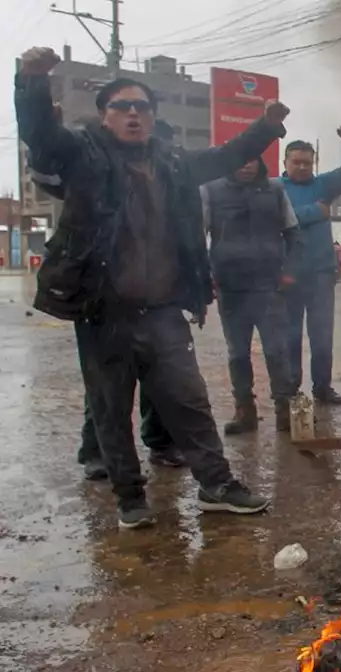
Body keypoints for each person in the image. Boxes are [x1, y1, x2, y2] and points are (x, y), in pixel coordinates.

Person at [16, 46, 278, 528]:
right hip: (103, 311)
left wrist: (266, 126)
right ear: (104, 116)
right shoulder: (82, 154)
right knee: (111, 410)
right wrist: (32, 83)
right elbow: (41, 138)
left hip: (162, 311)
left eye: (142, 107)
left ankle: (217, 485)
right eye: (122, 107)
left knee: (189, 401)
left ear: (153, 118)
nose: (133, 115)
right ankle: (130, 497)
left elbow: (225, 157)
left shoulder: (173, 164)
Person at [22, 107, 185, 477]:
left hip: (158, 296)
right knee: (107, 386)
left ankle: (160, 443)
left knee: (160, 379)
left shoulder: (170, 180)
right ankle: (96, 453)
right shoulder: (94, 171)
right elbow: (47, 172)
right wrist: (46, 131)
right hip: (104, 294)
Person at [201, 157, 302, 435]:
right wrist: (205, 275)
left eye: (252, 160)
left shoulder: (275, 190)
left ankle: (285, 413)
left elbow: (293, 233)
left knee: (276, 351)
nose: (246, 166)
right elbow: (199, 235)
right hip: (230, 287)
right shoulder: (211, 190)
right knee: (237, 354)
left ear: (260, 162)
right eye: (241, 160)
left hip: (269, 286)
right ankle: (245, 412)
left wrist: (289, 272)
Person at [277, 128, 341, 405]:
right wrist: (315, 212)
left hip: (320, 276)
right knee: (289, 337)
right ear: (285, 163)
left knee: (322, 337)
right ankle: (290, 390)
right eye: (296, 162)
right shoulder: (274, 189)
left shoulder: (323, 185)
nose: (302, 167)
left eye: (307, 162)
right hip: (287, 277)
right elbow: (278, 219)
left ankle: (322, 388)